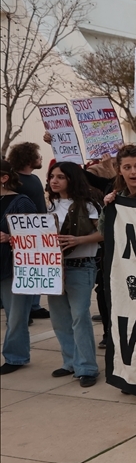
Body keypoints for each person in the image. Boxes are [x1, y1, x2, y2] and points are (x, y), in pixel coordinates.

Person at [45, 162, 105, 387]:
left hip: (81, 265)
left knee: (80, 317)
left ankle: (87, 367)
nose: (54, 180)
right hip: (53, 268)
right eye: (52, 176)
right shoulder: (50, 206)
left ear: (72, 178)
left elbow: (104, 232)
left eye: (60, 176)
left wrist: (79, 240)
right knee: (60, 318)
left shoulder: (88, 204)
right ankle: (70, 361)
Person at [0, 160, 39, 375]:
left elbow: (34, 235)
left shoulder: (21, 202)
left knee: (15, 315)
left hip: (12, 267)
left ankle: (15, 357)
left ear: (4, 178)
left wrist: (10, 237)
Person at [6, 142, 49, 322]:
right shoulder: (15, 181)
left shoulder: (35, 178)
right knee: (23, 270)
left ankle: (34, 306)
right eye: (38, 155)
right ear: (28, 158)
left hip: (40, 230)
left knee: (37, 267)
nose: (41, 158)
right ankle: (23, 309)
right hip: (22, 232)